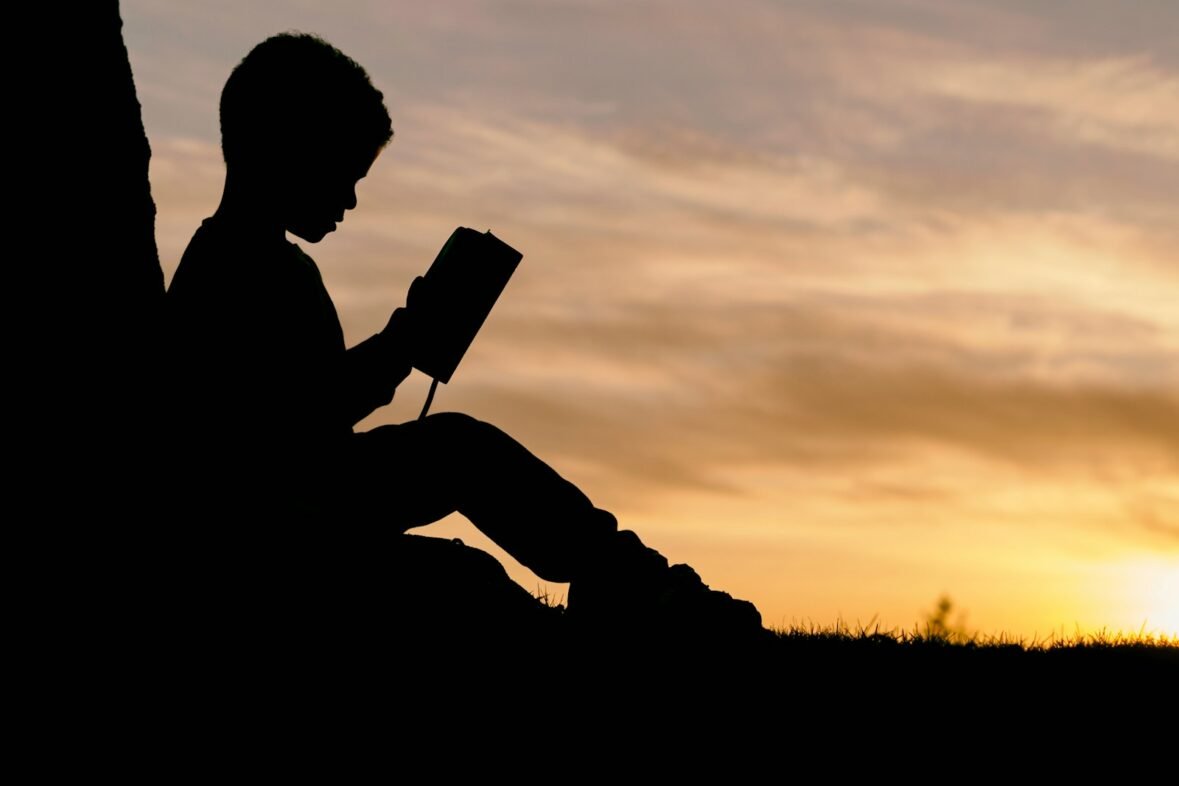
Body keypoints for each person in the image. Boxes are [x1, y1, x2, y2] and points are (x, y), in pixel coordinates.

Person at [167, 32, 762, 638]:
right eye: (341, 172)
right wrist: (404, 342)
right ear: (286, 148)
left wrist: (404, 340)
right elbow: (288, 426)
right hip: (269, 533)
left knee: (459, 460)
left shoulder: (269, 261)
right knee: (463, 549)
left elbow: (311, 409)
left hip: (300, 511)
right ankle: (641, 593)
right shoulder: (230, 267)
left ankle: (634, 585)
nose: (348, 200)